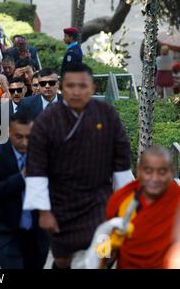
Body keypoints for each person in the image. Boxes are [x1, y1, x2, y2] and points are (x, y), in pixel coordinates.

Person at [23, 63, 133, 269]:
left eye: (82, 86)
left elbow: (122, 164)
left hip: (98, 199)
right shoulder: (47, 120)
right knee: (64, 259)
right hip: (60, 201)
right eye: (70, 86)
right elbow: (36, 167)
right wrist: (44, 211)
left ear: (92, 88)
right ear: (62, 88)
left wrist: (124, 206)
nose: (76, 91)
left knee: (105, 254)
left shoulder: (107, 114)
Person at [82, 146, 180, 269]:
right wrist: (106, 253)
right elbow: (104, 239)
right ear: (138, 171)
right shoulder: (121, 199)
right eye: (148, 171)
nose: (155, 178)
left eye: (162, 172)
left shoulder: (177, 199)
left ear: (172, 171)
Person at [0, 111, 50, 269]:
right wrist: (22, 177)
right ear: (9, 133)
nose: (25, 143)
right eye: (19, 137)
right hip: (4, 229)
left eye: (30, 137)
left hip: (37, 232)